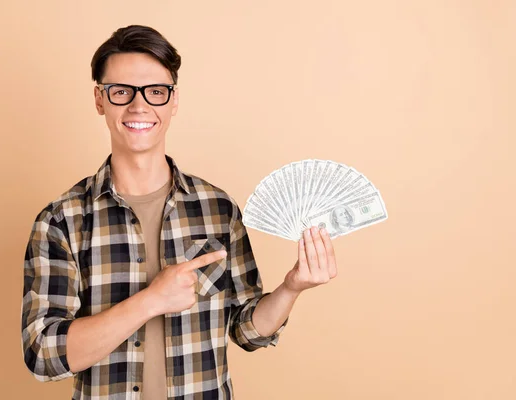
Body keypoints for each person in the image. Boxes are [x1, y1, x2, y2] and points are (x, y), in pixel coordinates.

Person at [21, 25, 338, 400]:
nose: (139, 107)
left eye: (156, 92)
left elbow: (247, 331)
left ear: (173, 101)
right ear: (99, 99)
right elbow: (44, 354)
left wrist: (291, 288)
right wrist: (151, 300)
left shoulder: (218, 210)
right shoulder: (61, 221)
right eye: (121, 92)